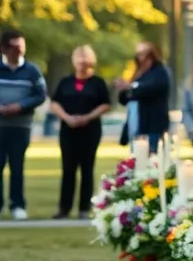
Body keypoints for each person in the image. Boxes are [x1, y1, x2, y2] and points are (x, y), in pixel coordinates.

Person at [50, 45, 110, 220]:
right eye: (79, 58)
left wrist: (88, 117)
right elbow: (55, 103)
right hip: (68, 130)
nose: (82, 62)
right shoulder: (65, 82)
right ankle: (64, 208)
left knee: (87, 168)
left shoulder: (97, 83)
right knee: (68, 169)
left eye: (85, 58)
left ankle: (85, 208)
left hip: (89, 131)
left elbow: (105, 104)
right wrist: (67, 117)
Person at [0, 30, 46, 220]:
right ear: (4, 48)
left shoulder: (32, 70)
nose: (19, 50)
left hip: (21, 126)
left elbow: (40, 95)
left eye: (21, 46)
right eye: (15, 46)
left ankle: (17, 204)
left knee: (17, 166)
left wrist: (20, 106)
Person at [115, 41, 172, 155]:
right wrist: (124, 89)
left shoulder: (160, 73)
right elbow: (125, 99)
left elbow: (150, 89)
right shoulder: (138, 74)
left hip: (153, 126)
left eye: (144, 55)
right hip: (136, 127)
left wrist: (131, 87)